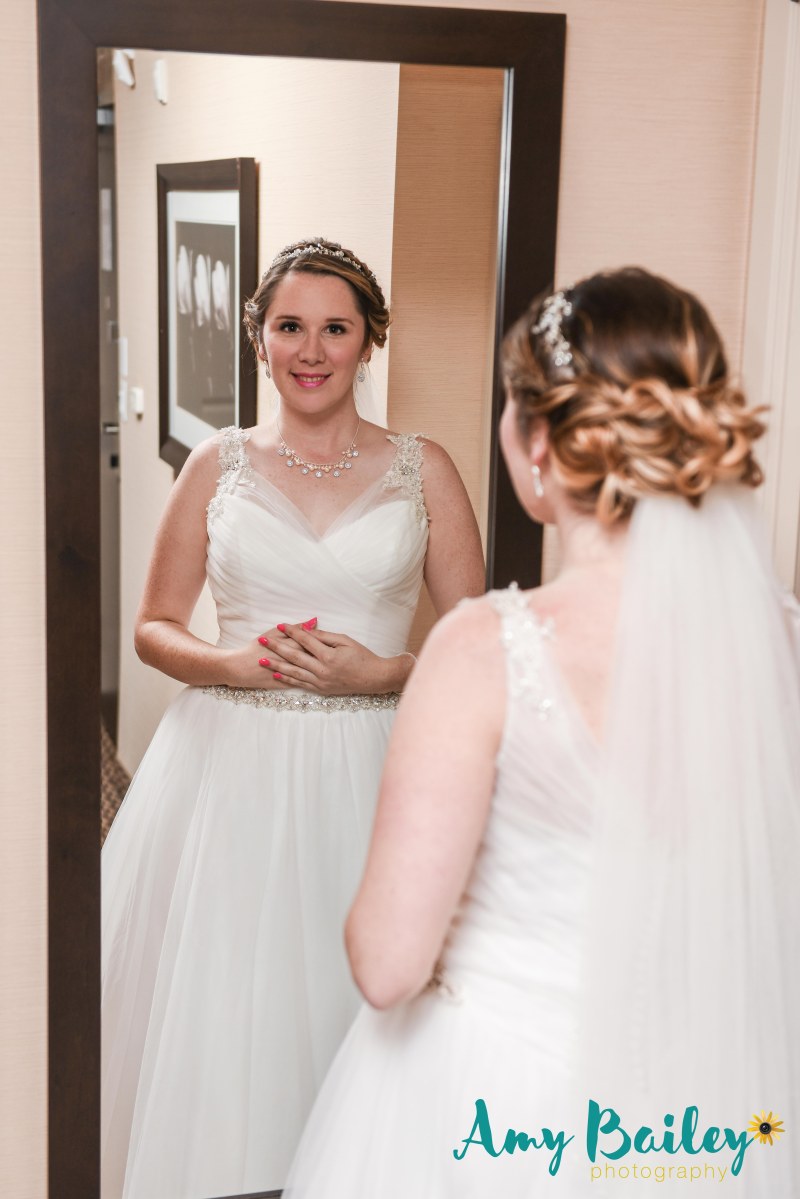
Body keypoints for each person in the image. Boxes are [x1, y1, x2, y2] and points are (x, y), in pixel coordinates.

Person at [283, 267, 800, 1196]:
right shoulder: (784, 643)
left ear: (539, 448)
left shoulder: (487, 649)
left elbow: (389, 964)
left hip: (505, 1102)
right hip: (708, 1098)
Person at [100, 237, 485, 1199]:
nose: (311, 351)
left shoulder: (425, 470)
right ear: (258, 339)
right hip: (227, 769)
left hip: (377, 769)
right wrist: (229, 663)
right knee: (231, 1009)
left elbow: (481, 649)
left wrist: (386, 672)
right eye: (289, 327)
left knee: (359, 1008)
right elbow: (151, 627)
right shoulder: (216, 465)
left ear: (369, 341)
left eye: (335, 329)